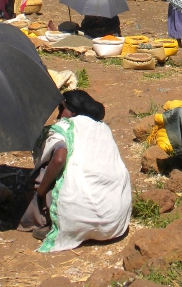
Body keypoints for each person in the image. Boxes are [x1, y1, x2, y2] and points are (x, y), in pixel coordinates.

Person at [18, 90, 131, 251]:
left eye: (61, 109)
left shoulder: (64, 127)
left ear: (73, 112)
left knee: (45, 170)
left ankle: (54, 223)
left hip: (76, 222)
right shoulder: (103, 128)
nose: (58, 115)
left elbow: (59, 159)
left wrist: (41, 191)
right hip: (114, 224)